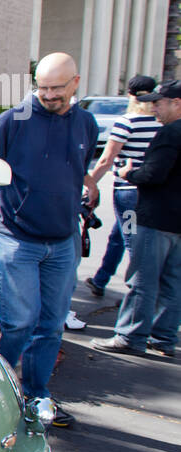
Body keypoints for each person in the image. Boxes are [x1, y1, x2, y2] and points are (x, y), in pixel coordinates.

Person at [0, 52, 98, 405]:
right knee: (18, 322)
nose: (47, 95)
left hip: (63, 242)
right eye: (42, 88)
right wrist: (7, 207)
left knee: (51, 325)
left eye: (56, 88)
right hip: (14, 238)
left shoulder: (87, 124)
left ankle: (35, 395)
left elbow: (78, 167)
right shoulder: (13, 120)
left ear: (75, 83)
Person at [90, 80, 181, 357]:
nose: (154, 107)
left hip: (151, 215)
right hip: (176, 222)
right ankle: (164, 338)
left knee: (141, 276)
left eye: (160, 102)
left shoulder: (168, 133)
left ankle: (130, 336)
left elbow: (153, 174)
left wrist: (129, 173)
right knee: (173, 281)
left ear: (177, 103)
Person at [83, 75, 161, 297]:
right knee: (119, 236)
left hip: (127, 192)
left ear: (130, 95)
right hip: (149, 192)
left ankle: (139, 293)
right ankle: (101, 279)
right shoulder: (160, 122)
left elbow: (106, 160)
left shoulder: (127, 121)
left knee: (131, 242)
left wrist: (90, 184)